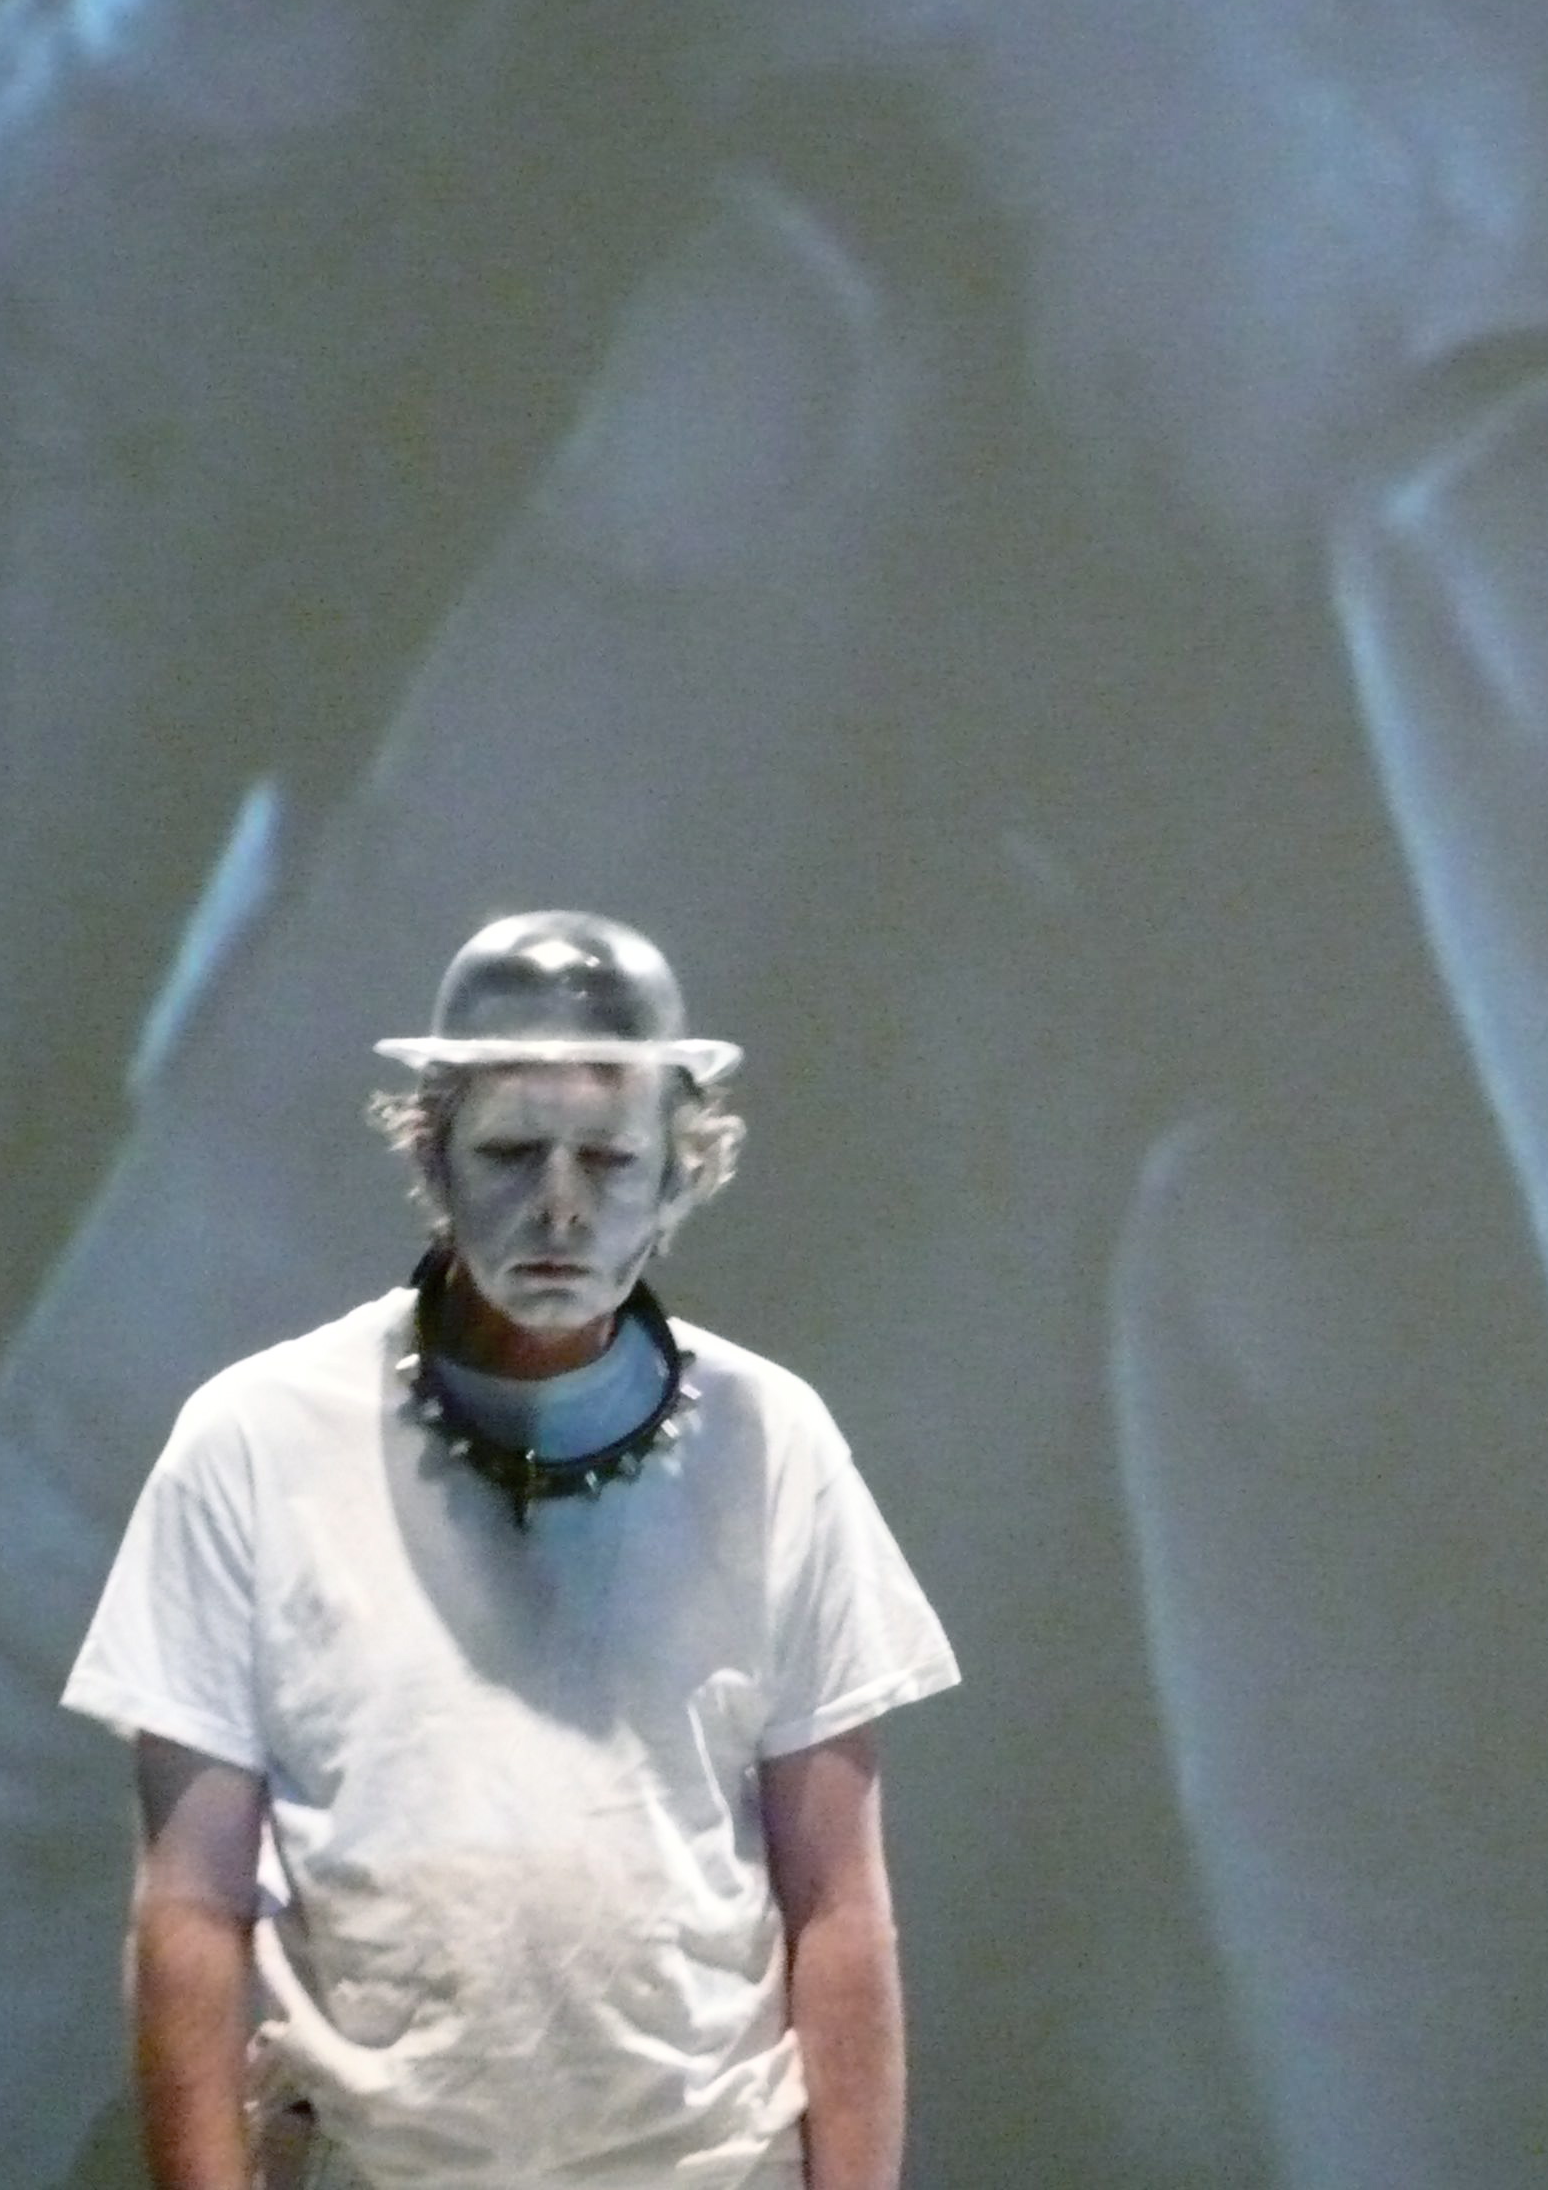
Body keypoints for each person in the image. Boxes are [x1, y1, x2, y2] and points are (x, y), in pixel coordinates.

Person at [63, 910, 958, 2190]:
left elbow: (840, 1904)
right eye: (512, 1152)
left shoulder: (772, 1440)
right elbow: (190, 1905)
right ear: (432, 1156)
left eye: (609, 1158)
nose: (560, 1206)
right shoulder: (256, 1439)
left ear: (681, 1172)